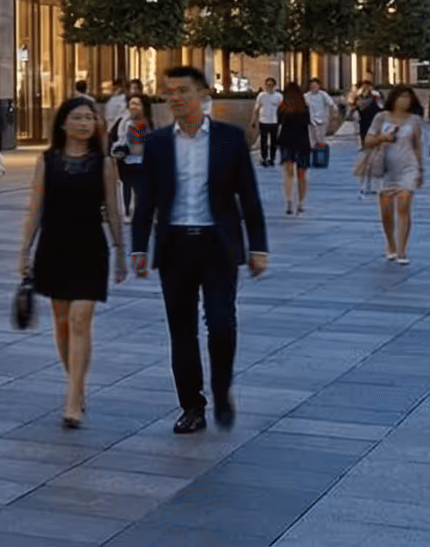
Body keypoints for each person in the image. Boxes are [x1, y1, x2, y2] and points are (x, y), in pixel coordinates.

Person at [129, 65, 269, 435]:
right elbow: (146, 199)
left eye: (183, 91)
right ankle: (192, 405)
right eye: (169, 91)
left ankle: (221, 390)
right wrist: (138, 248)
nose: (175, 98)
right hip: (175, 246)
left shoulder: (228, 138)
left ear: (203, 93)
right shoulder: (158, 143)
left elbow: (249, 197)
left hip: (217, 245)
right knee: (182, 330)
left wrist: (259, 247)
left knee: (221, 323)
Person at [17, 95, 128, 429]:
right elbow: (35, 207)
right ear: (63, 123)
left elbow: (112, 209)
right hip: (54, 247)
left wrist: (121, 250)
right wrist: (24, 251)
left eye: (90, 118)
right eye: (78, 117)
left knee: (81, 319)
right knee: (63, 322)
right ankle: (78, 386)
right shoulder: (47, 161)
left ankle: (71, 398)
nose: (84, 123)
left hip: (91, 248)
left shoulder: (105, 164)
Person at [361, 88, 427, 264]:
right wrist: (382, 138)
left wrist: (420, 169)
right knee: (386, 211)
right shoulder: (381, 117)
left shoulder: (415, 120)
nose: (404, 102)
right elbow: (367, 141)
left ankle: (402, 250)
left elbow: (417, 146)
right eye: (401, 98)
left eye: (407, 98)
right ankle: (390, 242)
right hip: (385, 168)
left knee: (404, 206)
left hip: (408, 167)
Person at [273, 75, 313, 215]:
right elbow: (308, 125)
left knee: (288, 173)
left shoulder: (282, 108)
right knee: (302, 174)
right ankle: (301, 203)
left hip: (286, 141)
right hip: (302, 141)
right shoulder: (304, 107)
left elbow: (278, 125)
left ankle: (289, 201)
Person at [112, 92, 153, 225]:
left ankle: (139, 212)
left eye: (137, 104)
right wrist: (119, 150)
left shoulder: (146, 122)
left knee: (139, 188)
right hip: (126, 160)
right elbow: (119, 138)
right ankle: (128, 213)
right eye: (131, 103)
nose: (134, 106)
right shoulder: (124, 121)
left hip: (141, 161)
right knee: (126, 186)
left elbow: (145, 144)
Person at [254, 79, 284, 167]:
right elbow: (256, 107)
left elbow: (282, 108)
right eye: (267, 85)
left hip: (274, 121)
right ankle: (264, 158)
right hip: (263, 120)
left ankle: (272, 158)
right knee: (263, 140)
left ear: (274, 86)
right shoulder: (261, 95)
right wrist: (253, 120)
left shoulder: (279, 96)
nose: (269, 87)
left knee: (274, 140)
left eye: (271, 85)